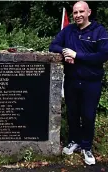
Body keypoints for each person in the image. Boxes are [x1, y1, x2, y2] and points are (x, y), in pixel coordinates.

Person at [49, 1, 108, 165]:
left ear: (89, 12)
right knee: (73, 113)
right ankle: (74, 141)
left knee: (88, 115)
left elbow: (102, 56)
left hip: (91, 82)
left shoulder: (99, 31)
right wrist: (64, 52)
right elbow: (52, 45)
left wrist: (77, 55)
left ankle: (86, 146)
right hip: (72, 81)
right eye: (75, 13)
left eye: (81, 12)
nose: (78, 15)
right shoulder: (69, 30)